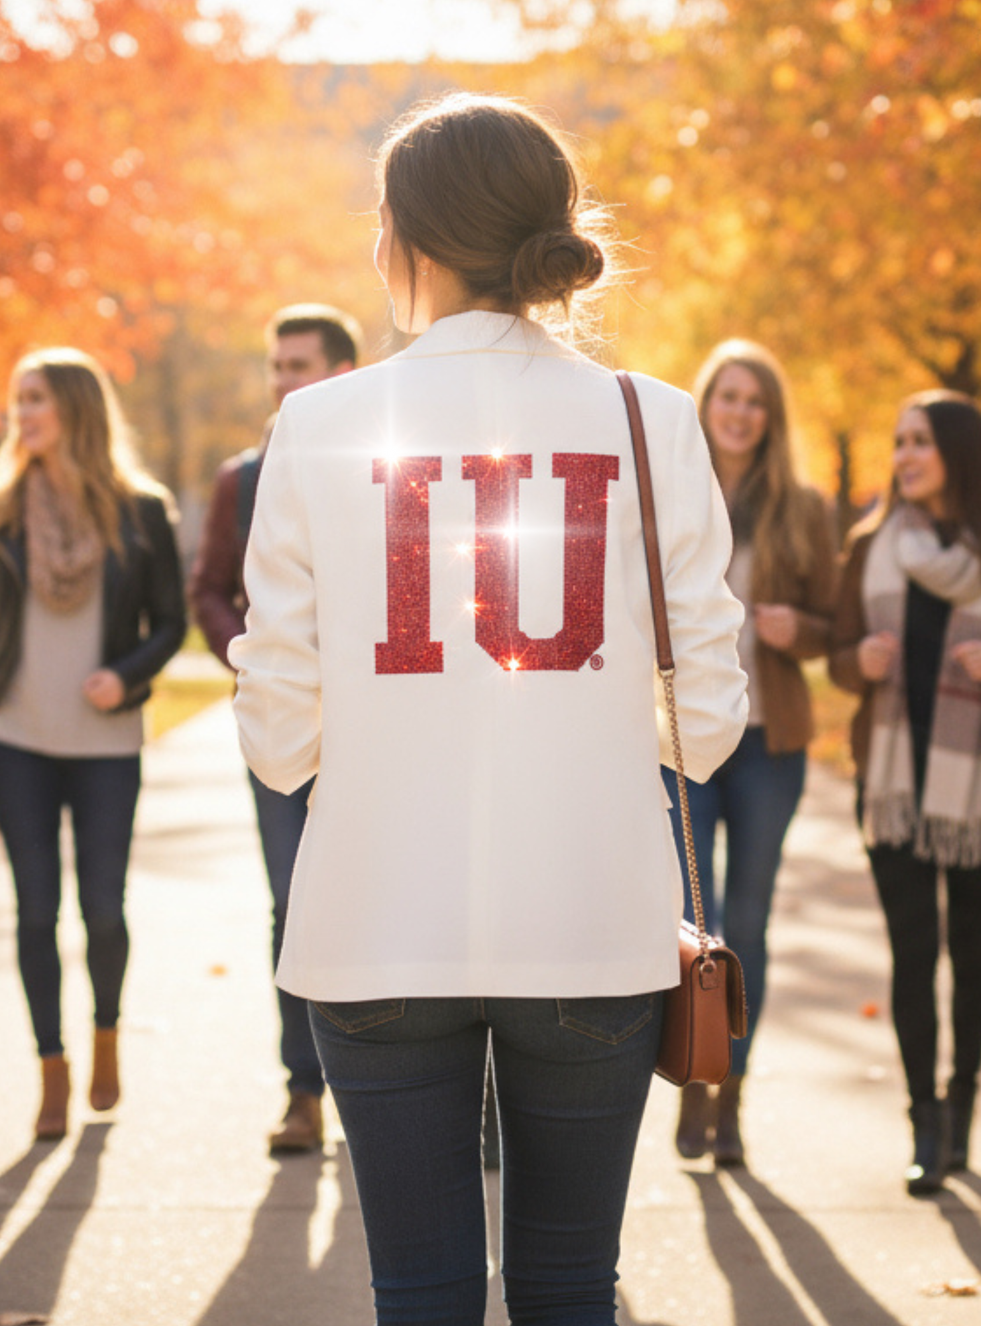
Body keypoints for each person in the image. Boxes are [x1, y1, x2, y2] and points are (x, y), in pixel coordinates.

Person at [230, 92, 748, 1325]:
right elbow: (711, 722)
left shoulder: (316, 424)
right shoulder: (653, 421)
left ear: (406, 242)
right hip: (588, 914)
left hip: (374, 919)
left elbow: (276, 737)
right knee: (571, 1289)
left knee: (418, 1292)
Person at [829, 390, 981, 1196]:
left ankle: (962, 1112)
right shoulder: (870, 544)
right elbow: (840, 655)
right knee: (913, 955)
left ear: (958, 451)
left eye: (920, 442)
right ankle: (925, 1124)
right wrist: (857, 666)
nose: (904, 456)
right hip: (892, 785)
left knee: (973, 956)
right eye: (899, 441)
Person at [0, 347, 186, 1141]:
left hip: (107, 741)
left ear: (75, 407)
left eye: (35, 399)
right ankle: (52, 1068)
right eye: (18, 401)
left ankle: (106, 1036)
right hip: (18, 739)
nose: (22, 414)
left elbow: (172, 622)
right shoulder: (6, 510)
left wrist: (127, 674)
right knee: (35, 911)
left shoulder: (142, 511)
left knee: (102, 911)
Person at [188, 303, 360, 1153]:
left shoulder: (386, 464)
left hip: (380, 731)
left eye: (299, 365)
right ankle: (303, 1091)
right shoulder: (243, 478)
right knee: (292, 902)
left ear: (342, 373)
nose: (282, 379)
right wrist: (253, 660)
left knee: (399, 900)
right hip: (285, 726)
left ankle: (433, 1095)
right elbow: (210, 588)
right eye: (276, 365)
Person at [663, 339, 836, 1167]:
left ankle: (730, 1095)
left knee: (751, 922)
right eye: (727, 396)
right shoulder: (671, 496)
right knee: (692, 924)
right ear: (706, 404)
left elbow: (834, 629)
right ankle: (693, 1077)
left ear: (770, 418)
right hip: (689, 739)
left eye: (754, 400)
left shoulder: (802, 507)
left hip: (769, 741)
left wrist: (794, 628)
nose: (739, 411)